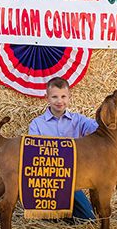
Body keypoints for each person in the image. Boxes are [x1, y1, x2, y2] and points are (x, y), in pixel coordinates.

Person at [28, 76, 98, 222]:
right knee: (49, 219)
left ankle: (68, 210)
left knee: (88, 219)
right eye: (54, 97)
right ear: (46, 97)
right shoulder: (37, 124)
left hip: (71, 178)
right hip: (47, 179)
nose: (59, 101)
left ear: (69, 97)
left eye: (63, 96)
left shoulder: (79, 120)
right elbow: (32, 152)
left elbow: (98, 129)